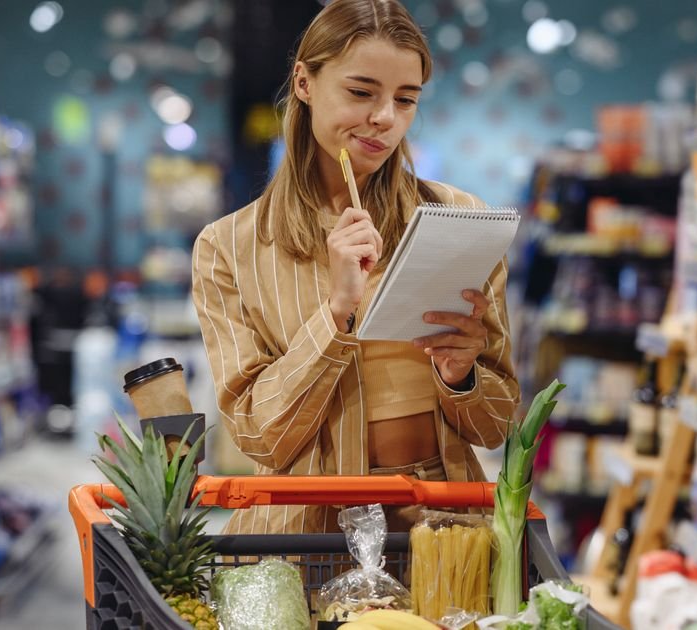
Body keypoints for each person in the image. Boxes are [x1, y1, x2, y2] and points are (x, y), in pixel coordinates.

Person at [191, 0, 519, 534]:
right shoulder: (229, 246)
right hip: (305, 534)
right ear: (304, 82)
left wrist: (460, 378)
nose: (385, 118)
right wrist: (336, 314)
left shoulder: (462, 220)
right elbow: (256, 435)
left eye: (405, 99)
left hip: (443, 528)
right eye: (361, 92)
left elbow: (497, 423)